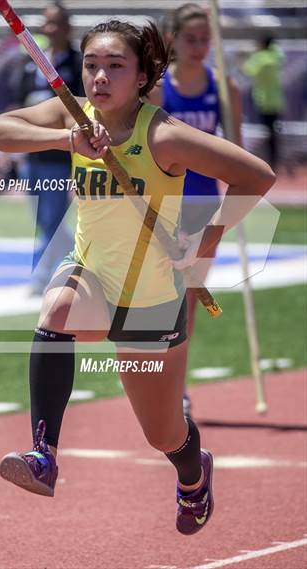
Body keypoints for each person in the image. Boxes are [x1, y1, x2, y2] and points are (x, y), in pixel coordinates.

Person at [0, 20, 275, 535]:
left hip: (151, 301)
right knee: (56, 311)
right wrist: (65, 137)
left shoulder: (164, 134)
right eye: (93, 65)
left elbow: (257, 175)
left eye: (116, 66)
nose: (99, 77)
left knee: (164, 436)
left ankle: (192, 473)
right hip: (91, 274)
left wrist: (205, 241)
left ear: (142, 77)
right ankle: (44, 454)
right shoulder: (74, 113)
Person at [147, 3, 242, 418]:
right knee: (161, 298)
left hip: (203, 206)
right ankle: (154, 380)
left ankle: (176, 389)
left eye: (206, 39)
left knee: (189, 300)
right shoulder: (156, 88)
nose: (200, 47)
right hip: (162, 205)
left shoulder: (224, 88)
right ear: (173, 40)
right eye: (191, 39)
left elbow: (238, 153)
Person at [17, 2, 85, 294]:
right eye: (47, 23)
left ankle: (40, 276)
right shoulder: (32, 61)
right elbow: (19, 103)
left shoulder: (79, 63)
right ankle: (79, 256)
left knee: (53, 217)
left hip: (60, 154)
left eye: (56, 23)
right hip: (31, 152)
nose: (50, 29)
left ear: (67, 27)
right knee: (42, 218)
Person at [242, 34, 285, 170]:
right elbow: (280, 54)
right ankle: (275, 160)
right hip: (276, 100)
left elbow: (248, 70)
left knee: (268, 132)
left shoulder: (260, 58)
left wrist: (245, 58)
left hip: (264, 101)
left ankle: (270, 161)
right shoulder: (275, 56)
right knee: (273, 133)